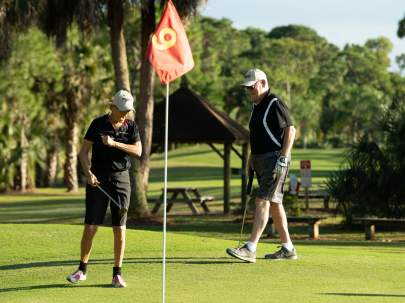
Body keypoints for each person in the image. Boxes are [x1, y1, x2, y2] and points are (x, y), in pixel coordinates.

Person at [66, 89, 142, 287]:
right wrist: (88, 173)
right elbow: (83, 153)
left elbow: (138, 151)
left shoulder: (131, 126)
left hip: (121, 179)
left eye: (128, 110)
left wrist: (115, 143)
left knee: (119, 228)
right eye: (122, 110)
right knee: (91, 227)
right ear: (112, 107)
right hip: (97, 180)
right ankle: (81, 270)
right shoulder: (97, 124)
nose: (126, 114)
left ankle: (117, 274)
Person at [226, 68, 297, 263]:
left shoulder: (274, 102)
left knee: (262, 200)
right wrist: (251, 157)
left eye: (252, 87)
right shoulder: (257, 106)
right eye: (247, 88)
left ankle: (250, 247)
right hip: (260, 159)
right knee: (274, 203)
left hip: (274, 159)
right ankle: (288, 248)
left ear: (263, 83)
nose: (249, 91)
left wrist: (283, 157)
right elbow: (257, 135)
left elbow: (290, 129)